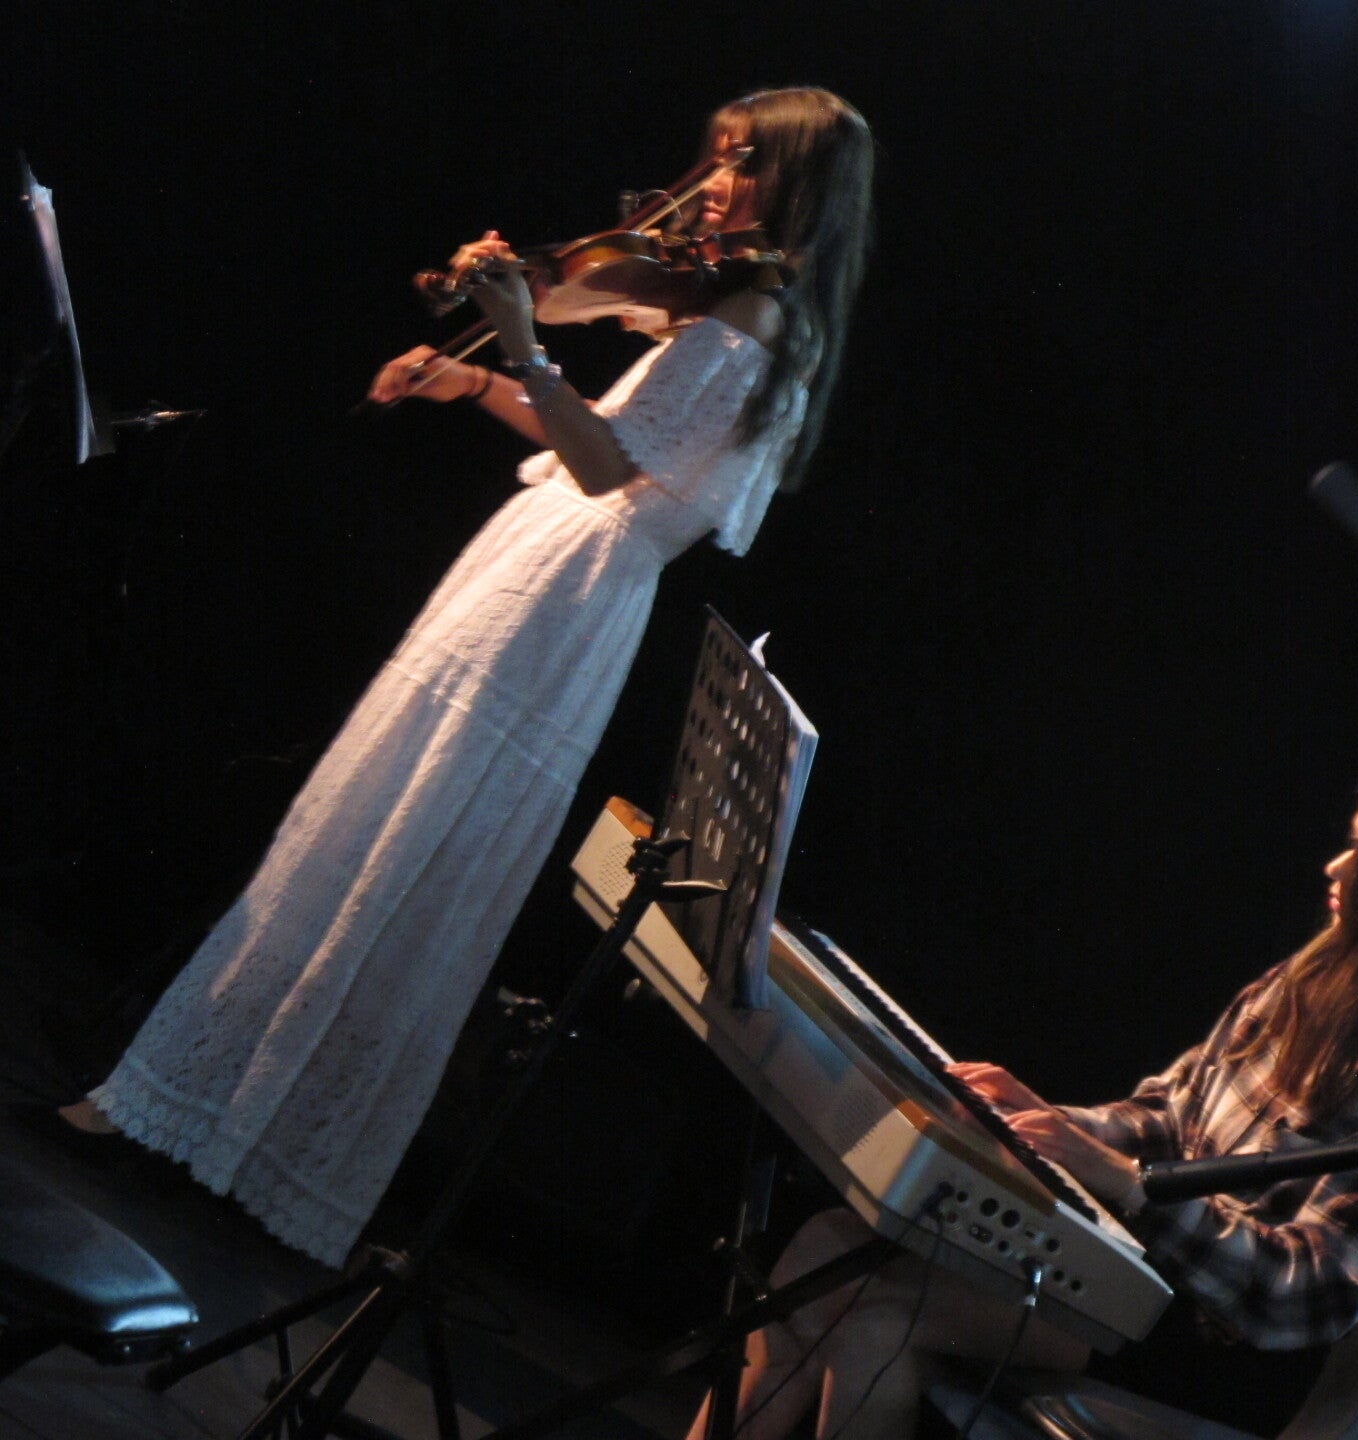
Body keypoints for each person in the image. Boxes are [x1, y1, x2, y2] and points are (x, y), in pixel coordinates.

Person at [62, 87, 875, 1268]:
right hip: (546, 573)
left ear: (801, 190)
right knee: (376, 821)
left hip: (565, 594)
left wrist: (524, 339)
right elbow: (605, 443)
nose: (710, 188)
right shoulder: (731, 306)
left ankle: (225, 1127)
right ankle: (209, 1114)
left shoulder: (755, 317)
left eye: (743, 166)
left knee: (403, 836)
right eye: (714, 159)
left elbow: (610, 471)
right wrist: (480, 380)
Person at [703, 754, 1358, 1440]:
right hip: (1134, 1283)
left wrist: (1132, 1189)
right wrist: (1039, 1122)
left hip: (1211, 1348)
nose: (1337, 866)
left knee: (874, 1312)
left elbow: (1304, 1295)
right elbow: (1167, 1115)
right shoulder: (1309, 981)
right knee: (829, 1246)